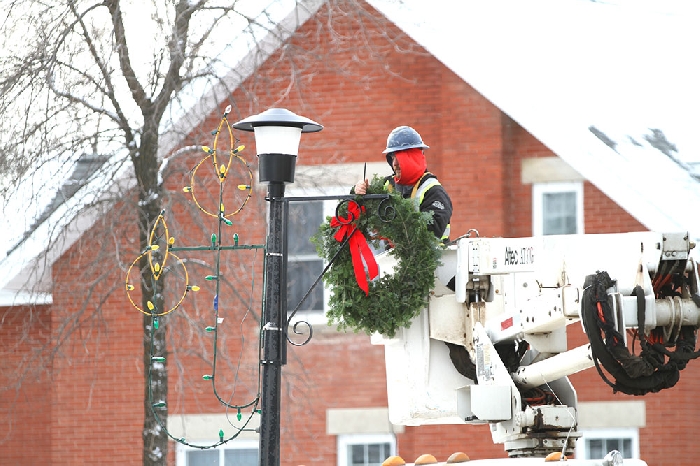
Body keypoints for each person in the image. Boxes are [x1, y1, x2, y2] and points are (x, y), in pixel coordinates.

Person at [354, 125, 452, 243]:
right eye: (392, 157)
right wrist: (360, 191)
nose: (394, 163)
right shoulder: (387, 184)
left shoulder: (434, 191)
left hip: (436, 260)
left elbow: (431, 233)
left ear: (413, 158)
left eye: (400, 158)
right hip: (392, 259)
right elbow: (361, 210)